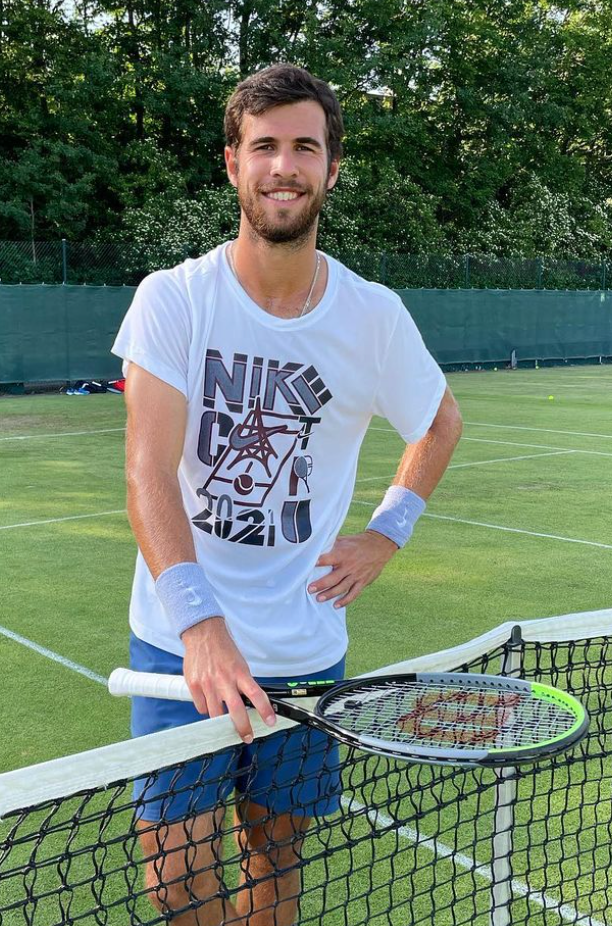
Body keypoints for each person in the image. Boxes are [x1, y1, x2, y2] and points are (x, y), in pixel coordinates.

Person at [112, 63, 462, 926]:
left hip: (305, 651)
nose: (284, 166)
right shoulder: (173, 299)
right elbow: (148, 472)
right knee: (175, 877)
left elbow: (440, 422)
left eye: (305, 147)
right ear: (233, 162)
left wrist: (387, 533)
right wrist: (200, 628)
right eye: (264, 145)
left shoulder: (372, 315)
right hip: (178, 650)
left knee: (275, 859)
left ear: (331, 169)